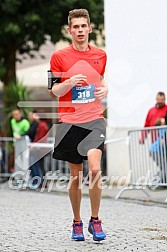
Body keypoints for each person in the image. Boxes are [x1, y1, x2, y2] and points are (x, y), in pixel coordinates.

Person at [49, 9, 108, 241]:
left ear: (90, 28)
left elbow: (100, 79)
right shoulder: (59, 57)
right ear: (69, 30)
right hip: (69, 121)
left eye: (84, 26)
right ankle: (76, 222)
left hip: (94, 118)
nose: (80, 30)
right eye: (76, 27)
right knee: (76, 176)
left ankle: (95, 220)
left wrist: (106, 89)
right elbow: (53, 90)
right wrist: (69, 82)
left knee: (94, 170)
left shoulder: (101, 55)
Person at [149, 116, 167, 184]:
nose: (164, 119)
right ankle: (155, 183)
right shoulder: (163, 129)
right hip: (156, 151)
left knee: (164, 168)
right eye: (162, 120)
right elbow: (162, 141)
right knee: (165, 167)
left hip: (156, 151)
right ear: (161, 124)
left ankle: (157, 182)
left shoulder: (163, 128)